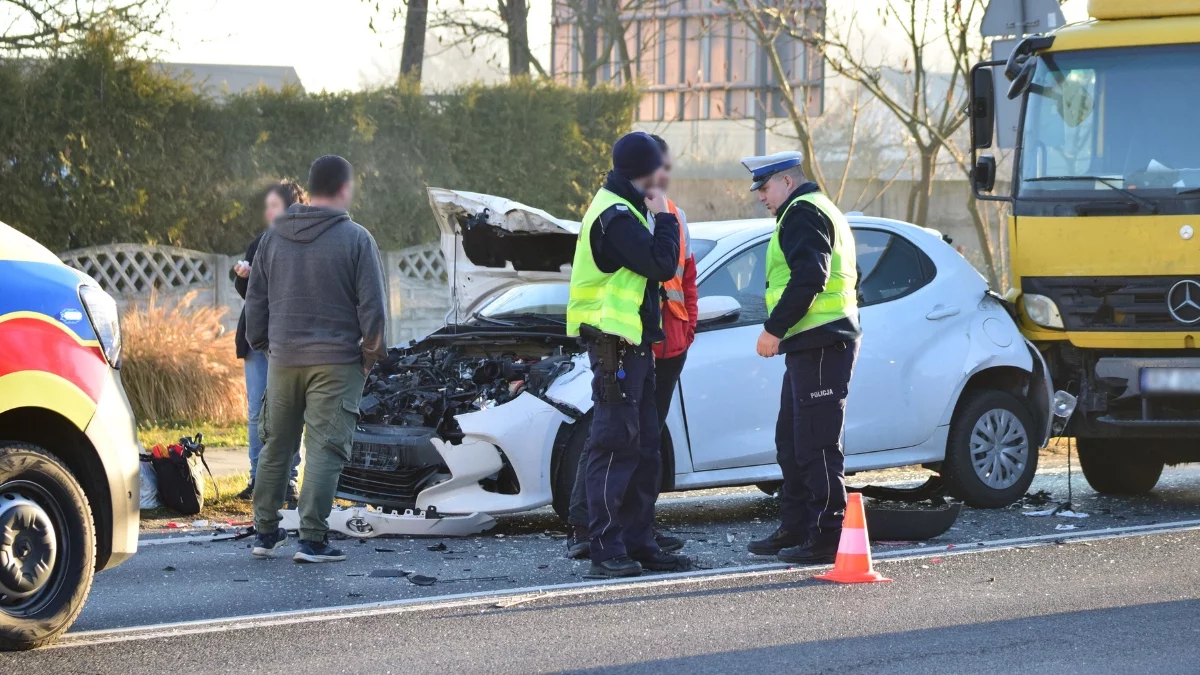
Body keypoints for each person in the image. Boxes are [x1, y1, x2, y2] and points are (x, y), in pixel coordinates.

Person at [245, 155, 388, 563]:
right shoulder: (357, 238)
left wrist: (266, 346)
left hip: (283, 359)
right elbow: (373, 308)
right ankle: (311, 539)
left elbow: (255, 303)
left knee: (276, 447)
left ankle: (265, 533)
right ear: (343, 189)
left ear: (310, 189)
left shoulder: (272, 239)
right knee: (325, 449)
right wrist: (370, 355)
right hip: (337, 361)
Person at [565, 131, 690, 578]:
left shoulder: (627, 207)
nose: (664, 173)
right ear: (645, 169)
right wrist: (666, 219)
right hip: (613, 347)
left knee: (645, 448)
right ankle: (606, 547)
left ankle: (640, 540)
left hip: (635, 346)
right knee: (615, 447)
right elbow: (660, 264)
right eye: (659, 165)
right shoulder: (615, 215)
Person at [741, 151, 861, 565]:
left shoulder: (803, 212)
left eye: (764, 186)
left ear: (787, 182)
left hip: (822, 341)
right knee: (792, 441)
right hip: (811, 342)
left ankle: (829, 535)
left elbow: (811, 276)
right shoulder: (808, 209)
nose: (760, 196)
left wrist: (773, 328)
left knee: (816, 443)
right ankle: (796, 527)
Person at [231, 180, 306, 503]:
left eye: (275, 205)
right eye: (268, 206)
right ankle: (257, 479)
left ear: (292, 207)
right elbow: (250, 297)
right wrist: (243, 278)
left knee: (290, 411)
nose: (269, 212)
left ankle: (287, 481)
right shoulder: (259, 243)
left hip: (290, 341)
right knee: (256, 412)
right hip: (255, 339)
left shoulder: (305, 244)